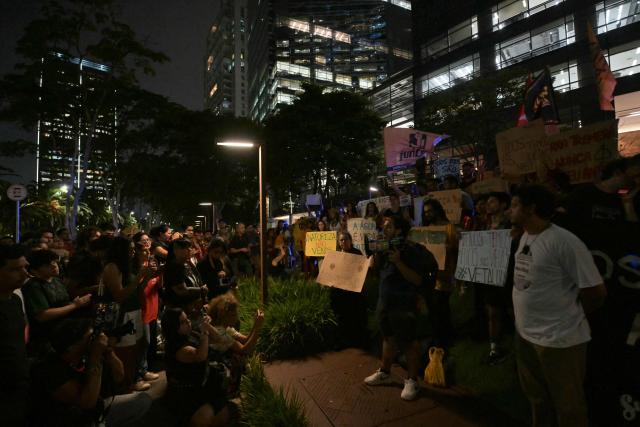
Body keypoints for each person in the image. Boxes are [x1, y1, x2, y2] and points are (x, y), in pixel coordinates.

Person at [510, 184, 607, 427]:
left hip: (559, 342)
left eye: (514, 205)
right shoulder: (526, 235)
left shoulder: (564, 242)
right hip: (526, 337)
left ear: (531, 209)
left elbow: (595, 291)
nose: (508, 210)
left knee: (569, 407)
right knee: (538, 399)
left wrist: (568, 316)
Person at [364, 216, 438, 401]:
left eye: (388, 227)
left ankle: (412, 380)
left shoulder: (411, 251)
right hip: (385, 303)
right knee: (388, 337)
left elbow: (418, 280)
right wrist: (373, 260)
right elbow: (377, 272)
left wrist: (398, 262)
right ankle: (385, 371)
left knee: (408, 343)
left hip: (403, 305)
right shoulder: (384, 248)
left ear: (398, 231)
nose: (383, 229)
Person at [29, 318, 152, 427]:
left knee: (142, 401)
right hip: (69, 420)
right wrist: (95, 356)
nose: (94, 340)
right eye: (90, 337)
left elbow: (119, 376)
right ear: (72, 346)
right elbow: (87, 402)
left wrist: (109, 352)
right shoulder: (51, 369)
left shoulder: (85, 355)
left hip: (94, 411)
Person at [103, 236, 157, 391]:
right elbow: (119, 296)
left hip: (134, 310)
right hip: (123, 314)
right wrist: (140, 276)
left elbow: (136, 290)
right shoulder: (112, 267)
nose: (134, 252)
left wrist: (146, 277)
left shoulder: (126, 266)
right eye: (131, 249)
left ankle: (134, 377)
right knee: (126, 350)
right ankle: (126, 383)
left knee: (137, 346)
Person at [161, 307, 229, 426]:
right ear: (173, 327)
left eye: (187, 319)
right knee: (206, 419)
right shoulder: (176, 347)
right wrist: (204, 333)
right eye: (183, 322)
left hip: (203, 386)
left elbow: (220, 339)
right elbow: (200, 356)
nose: (188, 322)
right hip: (187, 394)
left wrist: (207, 326)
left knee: (223, 416)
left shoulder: (190, 333)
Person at [22, 249, 92, 358]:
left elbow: (61, 304)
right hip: (48, 338)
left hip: (64, 331)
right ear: (34, 271)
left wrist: (75, 303)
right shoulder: (33, 286)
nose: (54, 266)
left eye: (54, 262)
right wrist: (74, 305)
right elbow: (42, 315)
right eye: (47, 265)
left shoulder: (56, 280)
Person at [207, 293, 265, 394]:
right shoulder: (218, 331)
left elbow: (245, 340)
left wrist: (256, 324)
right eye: (233, 314)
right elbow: (245, 349)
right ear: (223, 316)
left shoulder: (226, 328)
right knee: (239, 356)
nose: (236, 317)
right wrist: (258, 327)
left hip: (220, 363)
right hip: (214, 371)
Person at [478, 192, 512, 364]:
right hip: (490, 273)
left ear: (504, 205)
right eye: (488, 202)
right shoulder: (485, 225)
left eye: (492, 202)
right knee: (492, 311)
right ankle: (494, 347)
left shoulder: (511, 224)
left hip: (508, 273)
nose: (488, 205)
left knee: (512, 310)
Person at [422, 198, 459, 347]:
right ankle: (438, 336)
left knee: (442, 306)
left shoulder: (449, 227)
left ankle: (445, 338)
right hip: (431, 275)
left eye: (430, 210)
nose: (428, 214)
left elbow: (456, 247)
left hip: (445, 273)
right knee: (433, 307)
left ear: (437, 210)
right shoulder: (428, 229)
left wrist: (446, 247)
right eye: (425, 212)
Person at [0, 244, 30, 426]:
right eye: (15, 269)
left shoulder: (16, 300)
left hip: (19, 384)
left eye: (25, 267)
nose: (25, 274)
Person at [331, 231, 368, 348]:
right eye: (341, 240)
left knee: (354, 316)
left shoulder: (357, 253)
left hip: (353, 293)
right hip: (340, 292)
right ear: (338, 242)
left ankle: (357, 340)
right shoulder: (336, 255)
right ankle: (343, 340)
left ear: (350, 241)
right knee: (342, 317)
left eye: (345, 239)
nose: (343, 242)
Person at [164, 238, 208, 310]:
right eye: (186, 248)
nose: (190, 250)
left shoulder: (187, 263)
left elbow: (198, 281)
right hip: (181, 311)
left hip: (195, 307)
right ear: (176, 250)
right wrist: (201, 289)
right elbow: (182, 291)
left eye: (190, 247)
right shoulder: (173, 267)